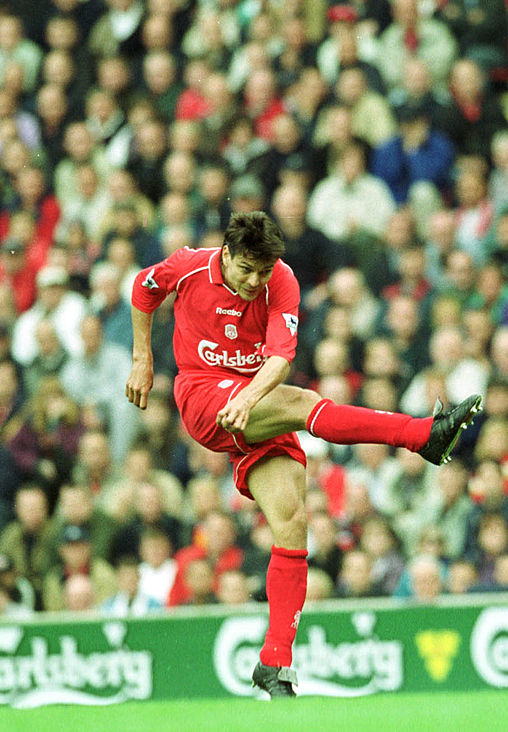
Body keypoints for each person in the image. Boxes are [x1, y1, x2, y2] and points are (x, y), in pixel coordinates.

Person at [125, 211, 481, 697]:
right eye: (245, 269)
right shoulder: (189, 265)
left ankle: (275, 663)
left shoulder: (282, 281)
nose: (254, 281)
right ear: (225, 254)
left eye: (263, 271)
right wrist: (143, 359)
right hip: (203, 396)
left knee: (293, 524)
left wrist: (249, 398)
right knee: (305, 402)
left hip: (254, 403)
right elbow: (144, 289)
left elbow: (280, 358)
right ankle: (421, 434)